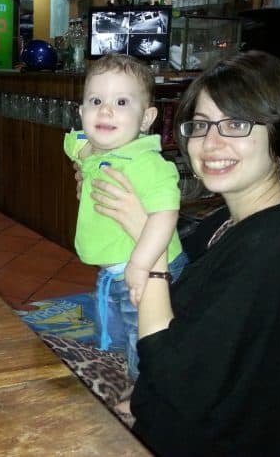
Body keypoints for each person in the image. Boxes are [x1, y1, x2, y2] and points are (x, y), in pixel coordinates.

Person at [54, 50, 280, 455]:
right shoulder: (224, 221)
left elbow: (175, 374)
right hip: (173, 416)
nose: (211, 142)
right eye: (201, 125)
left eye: (235, 123)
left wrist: (143, 245)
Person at [63, 53, 187, 382]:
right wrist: (86, 151)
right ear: (82, 111)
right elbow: (72, 143)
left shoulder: (145, 161)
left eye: (121, 101)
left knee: (140, 336)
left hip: (148, 268)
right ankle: (115, 370)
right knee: (113, 328)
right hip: (114, 269)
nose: (106, 110)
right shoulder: (95, 147)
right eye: (95, 100)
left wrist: (141, 264)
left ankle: (140, 392)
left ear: (146, 118)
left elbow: (166, 213)